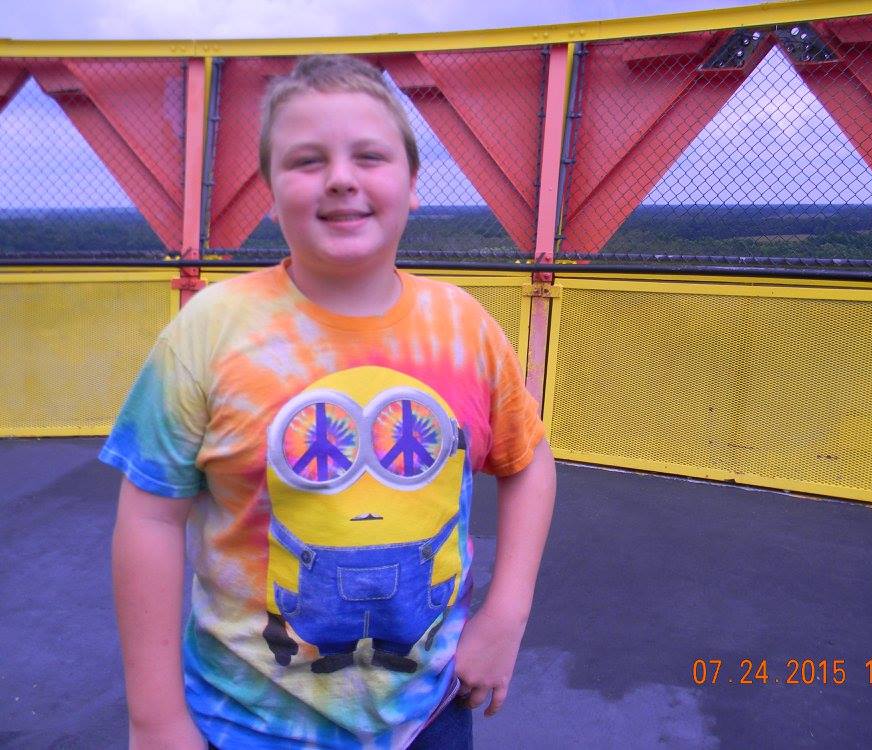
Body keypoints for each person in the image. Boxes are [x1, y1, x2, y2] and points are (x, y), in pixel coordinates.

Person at [102, 54, 556, 749]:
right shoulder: (210, 331)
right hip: (242, 722)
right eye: (308, 160)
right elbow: (149, 520)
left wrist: (506, 615)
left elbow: (530, 459)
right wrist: (155, 719)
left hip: (426, 716)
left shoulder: (464, 329)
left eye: (369, 156)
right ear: (273, 189)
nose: (341, 177)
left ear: (412, 187)